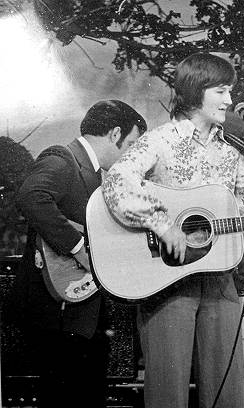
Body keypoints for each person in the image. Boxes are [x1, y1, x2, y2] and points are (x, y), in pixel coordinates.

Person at [101, 52, 244, 408]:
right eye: (221, 91)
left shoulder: (230, 154)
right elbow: (117, 181)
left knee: (228, 392)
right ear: (196, 91)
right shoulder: (161, 141)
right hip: (167, 283)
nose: (229, 100)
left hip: (219, 282)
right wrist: (164, 226)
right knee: (168, 394)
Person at [14, 100, 146, 408]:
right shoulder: (63, 158)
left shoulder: (97, 175)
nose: (131, 155)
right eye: (131, 144)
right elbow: (31, 196)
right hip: (57, 311)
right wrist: (79, 249)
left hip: (79, 311)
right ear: (115, 134)